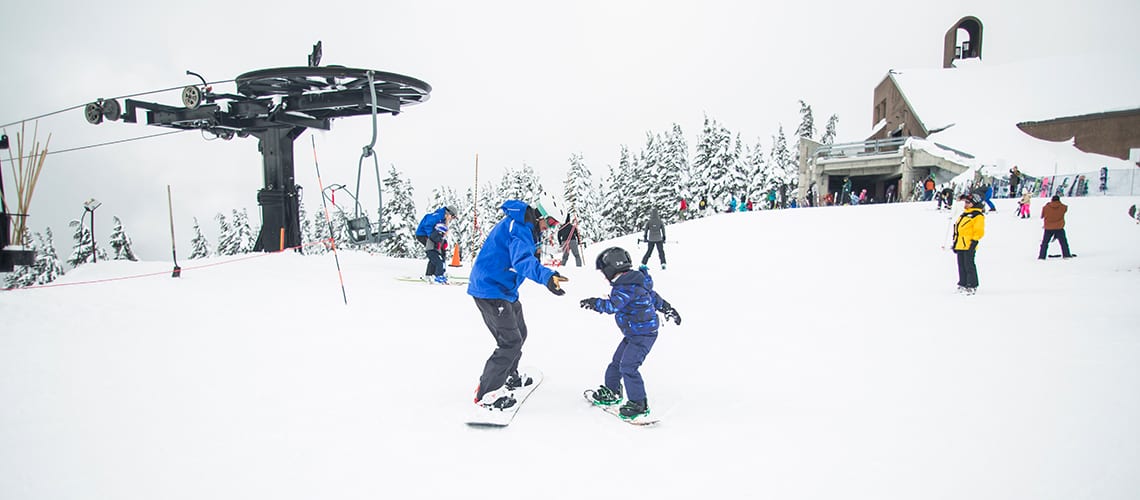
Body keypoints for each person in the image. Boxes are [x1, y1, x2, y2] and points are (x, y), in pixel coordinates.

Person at [467, 192, 569, 410]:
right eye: (550, 222)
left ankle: (509, 376)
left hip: (505, 289)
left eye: (554, 225)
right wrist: (547, 277)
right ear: (540, 215)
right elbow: (522, 261)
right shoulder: (520, 228)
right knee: (509, 342)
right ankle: (487, 394)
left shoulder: (528, 228)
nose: (550, 228)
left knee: (520, 334)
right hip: (490, 290)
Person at [580, 247, 682, 420]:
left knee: (628, 366)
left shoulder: (625, 286)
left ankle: (639, 403)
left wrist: (594, 303)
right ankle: (612, 391)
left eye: (604, 272)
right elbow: (654, 298)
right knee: (617, 362)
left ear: (611, 268)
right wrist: (668, 309)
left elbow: (612, 306)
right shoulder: (636, 282)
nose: (604, 277)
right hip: (634, 333)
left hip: (643, 335)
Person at [952, 193, 986, 295]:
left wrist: (974, 242)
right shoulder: (965, 214)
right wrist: (955, 242)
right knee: (961, 265)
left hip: (969, 244)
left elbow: (979, 230)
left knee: (969, 265)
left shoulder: (977, 215)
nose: (965, 204)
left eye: (968, 202)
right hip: (960, 243)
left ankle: (972, 284)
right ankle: (963, 283)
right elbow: (958, 229)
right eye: (965, 202)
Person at [415, 206, 455, 281]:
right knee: (433, 252)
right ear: (449, 213)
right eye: (453, 217)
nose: (452, 219)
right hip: (422, 234)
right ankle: (435, 274)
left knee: (436, 253)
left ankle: (430, 273)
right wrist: (431, 236)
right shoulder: (438, 216)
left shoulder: (443, 219)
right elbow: (427, 225)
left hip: (432, 236)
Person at [1038, 195, 1073, 260]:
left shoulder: (1046, 207)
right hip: (1059, 227)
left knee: (1045, 243)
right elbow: (1065, 208)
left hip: (1048, 228)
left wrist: (1048, 205)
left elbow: (1042, 216)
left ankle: (1042, 256)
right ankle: (1066, 254)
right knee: (1063, 242)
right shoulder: (1062, 207)